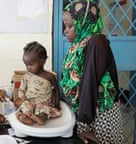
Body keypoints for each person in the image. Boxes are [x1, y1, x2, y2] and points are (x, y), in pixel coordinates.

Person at [60, 0, 124, 143]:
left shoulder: (96, 44)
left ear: (84, 23)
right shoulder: (80, 46)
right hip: (88, 114)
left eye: (70, 26)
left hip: (101, 118)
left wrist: (83, 125)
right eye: (65, 25)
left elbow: (89, 83)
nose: (65, 30)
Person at [14, 41, 61, 126]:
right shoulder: (26, 76)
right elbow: (22, 89)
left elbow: (56, 91)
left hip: (44, 104)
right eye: (26, 65)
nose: (28, 68)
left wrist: (56, 103)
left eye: (31, 64)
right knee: (24, 108)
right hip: (29, 102)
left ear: (42, 61)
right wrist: (21, 99)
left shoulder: (50, 77)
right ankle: (28, 118)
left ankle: (40, 119)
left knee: (45, 111)